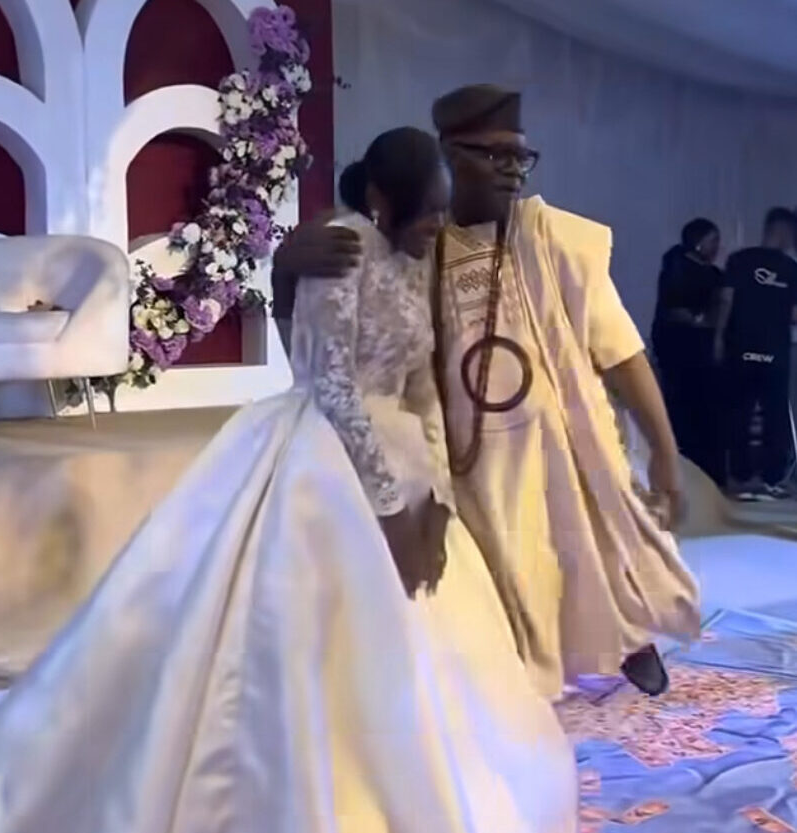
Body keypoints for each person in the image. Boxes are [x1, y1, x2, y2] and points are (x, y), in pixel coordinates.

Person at [0, 128, 576, 833]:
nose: (438, 225)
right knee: (291, 668)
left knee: (432, 671)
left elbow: (416, 388)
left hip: (403, 469)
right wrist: (390, 512)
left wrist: (436, 502)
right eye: (428, 209)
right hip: (322, 470)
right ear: (383, 198)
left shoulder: (409, 257)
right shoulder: (337, 249)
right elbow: (331, 387)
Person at [274, 85, 700, 702]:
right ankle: (525, 684)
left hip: (566, 447)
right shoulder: (417, 242)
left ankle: (626, 638)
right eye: (495, 155)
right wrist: (288, 260)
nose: (512, 171)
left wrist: (663, 450)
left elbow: (622, 352)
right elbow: (339, 307)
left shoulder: (554, 238)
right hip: (472, 460)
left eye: (521, 157)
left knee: (596, 553)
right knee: (503, 583)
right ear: (448, 156)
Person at [715, 207, 797, 500]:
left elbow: (726, 301)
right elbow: (795, 314)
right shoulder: (790, 268)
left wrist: (719, 339)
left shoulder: (739, 260)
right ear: (782, 230)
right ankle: (771, 479)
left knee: (741, 412)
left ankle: (742, 478)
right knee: (773, 414)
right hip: (774, 351)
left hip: (742, 348)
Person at [652, 219, 725, 486]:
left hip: (702, 354)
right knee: (681, 409)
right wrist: (699, 320)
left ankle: (706, 472)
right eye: (713, 240)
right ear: (698, 241)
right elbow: (673, 309)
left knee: (705, 412)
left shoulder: (714, 274)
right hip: (680, 352)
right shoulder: (676, 267)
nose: (717, 247)